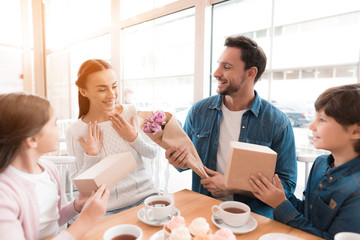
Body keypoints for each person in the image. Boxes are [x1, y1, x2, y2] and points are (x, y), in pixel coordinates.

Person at [165, 35, 297, 218]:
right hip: (205, 210)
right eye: (219, 64)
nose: (216, 73)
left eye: (226, 67)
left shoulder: (277, 123)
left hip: (252, 217)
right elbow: (185, 165)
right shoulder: (198, 111)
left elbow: (287, 187)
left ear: (251, 73)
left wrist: (233, 186)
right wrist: (177, 160)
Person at [249, 84, 360, 239]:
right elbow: (307, 212)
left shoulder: (356, 191)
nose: (312, 126)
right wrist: (280, 197)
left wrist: (281, 205)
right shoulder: (320, 164)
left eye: (322, 119)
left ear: (356, 131)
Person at [0, 93, 109, 240]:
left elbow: (52, 222)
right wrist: (86, 220)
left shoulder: (49, 170)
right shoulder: (4, 193)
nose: (59, 130)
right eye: (54, 124)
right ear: (32, 140)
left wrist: (76, 206)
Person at [66, 59, 158, 214]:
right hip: (105, 208)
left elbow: (152, 153)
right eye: (102, 89)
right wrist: (92, 156)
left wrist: (133, 138)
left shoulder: (130, 112)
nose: (112, 95)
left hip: (145, 196)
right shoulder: (76, 131)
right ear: (83, 91)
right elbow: (79, 185)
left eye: (114, 86)